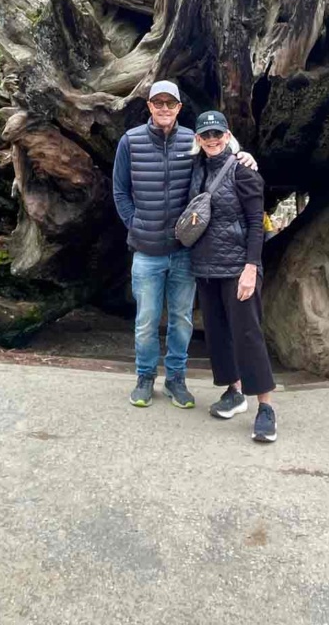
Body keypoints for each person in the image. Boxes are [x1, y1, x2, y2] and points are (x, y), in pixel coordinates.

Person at [112, 81, 256, 410]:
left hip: (183, 250)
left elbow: (219, 156)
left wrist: (244, 155)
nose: (164, 108)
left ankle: (176, 378)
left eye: (170, 103)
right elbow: (120, 190)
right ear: (149, 105)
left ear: (178, 107)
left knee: (181, 319)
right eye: (158, 102)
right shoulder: (130, 141)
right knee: (147, 320)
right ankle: (145, 377)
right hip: (146, 251)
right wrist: (134, 223)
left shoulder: (192, 140)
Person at [189, 110, 277, 443]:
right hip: (205, 267)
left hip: (239, 267)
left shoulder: (244, 172)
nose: (212, 140)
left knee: (248, 334)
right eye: (205, 135)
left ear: (227, 135)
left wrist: (251, 269)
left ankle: (265, 407)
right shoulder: (196, 171)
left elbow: (257, 224)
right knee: (217, 333)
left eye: (217, 134)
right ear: (198, 139)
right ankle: (234, 391)